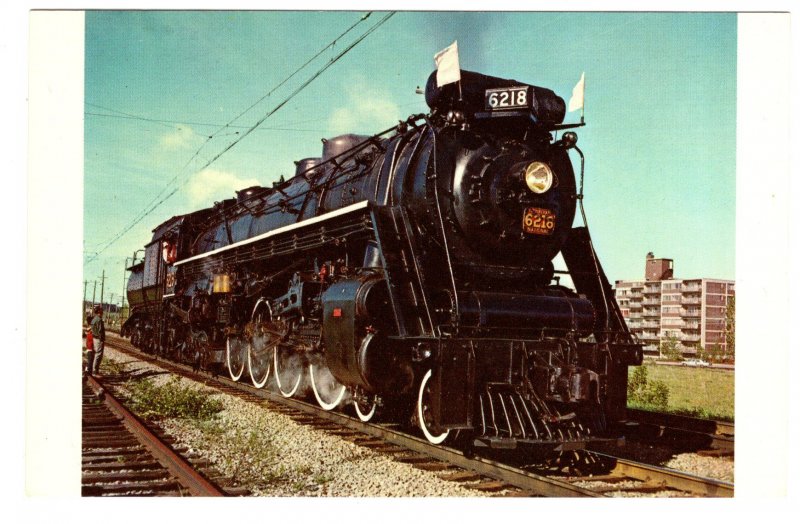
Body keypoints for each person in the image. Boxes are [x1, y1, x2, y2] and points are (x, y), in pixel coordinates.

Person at [90, 305, 106, 375]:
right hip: (98, 339)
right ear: (99, 311)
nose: (102, 310)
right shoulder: (99, 320)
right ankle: (95, 371)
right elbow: (100, 331)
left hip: (94, 338)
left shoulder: (94, 319)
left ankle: (94, 370)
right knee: (98, 355)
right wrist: (102, 339)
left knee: (96, 354)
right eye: (101, 309)